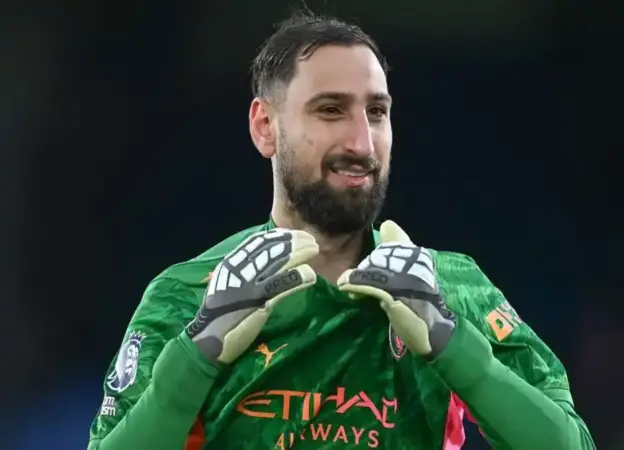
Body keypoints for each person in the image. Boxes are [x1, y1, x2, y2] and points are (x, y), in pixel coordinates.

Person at [87, 12, 595, 450]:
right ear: (265, 127)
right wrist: (196, 355)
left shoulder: (451, 288)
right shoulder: (186, 296)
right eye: (330, 110)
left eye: (376, 113)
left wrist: (452, 343)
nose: (362, 143)